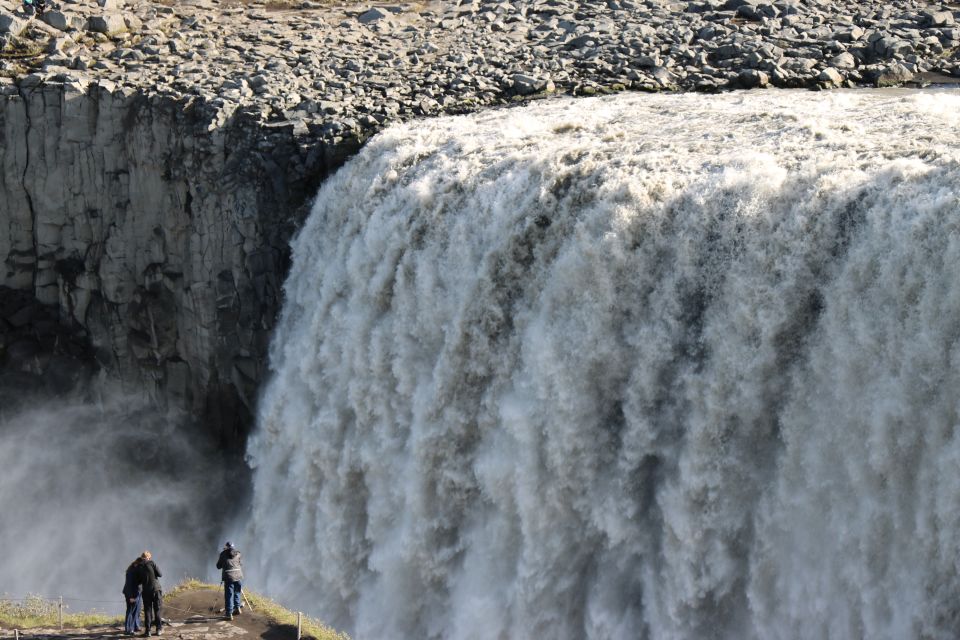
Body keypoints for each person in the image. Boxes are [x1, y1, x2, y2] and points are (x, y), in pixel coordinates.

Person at [135, 551, 163, 637]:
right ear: (148, 557)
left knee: (147, 611)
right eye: (149, 557)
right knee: (157, 609)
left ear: (142, 557)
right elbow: (160, 574)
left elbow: (138, 581)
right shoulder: (152, 563)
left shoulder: (138, 567)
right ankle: (158, 629)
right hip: (156, 589)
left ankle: (148, 631)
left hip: (146, 591)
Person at [216, 541, 243, 620]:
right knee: (237, 591)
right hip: (238, 576)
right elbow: (240, 563)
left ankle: (229, 614)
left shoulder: (223, 554)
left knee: (229, 595)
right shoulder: (238, 553)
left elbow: (218, 566)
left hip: (229, 577)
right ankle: (237, 608)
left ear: (226, 547)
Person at [122, 557, 144, 636]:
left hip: (137, 593)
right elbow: (128, 585)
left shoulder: (137, 570)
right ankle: (128, 629)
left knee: (137, 611)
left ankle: (136, 626)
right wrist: (130, 597)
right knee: (130, 611)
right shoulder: (130, 572)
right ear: (136, 564)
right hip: (131, 594)